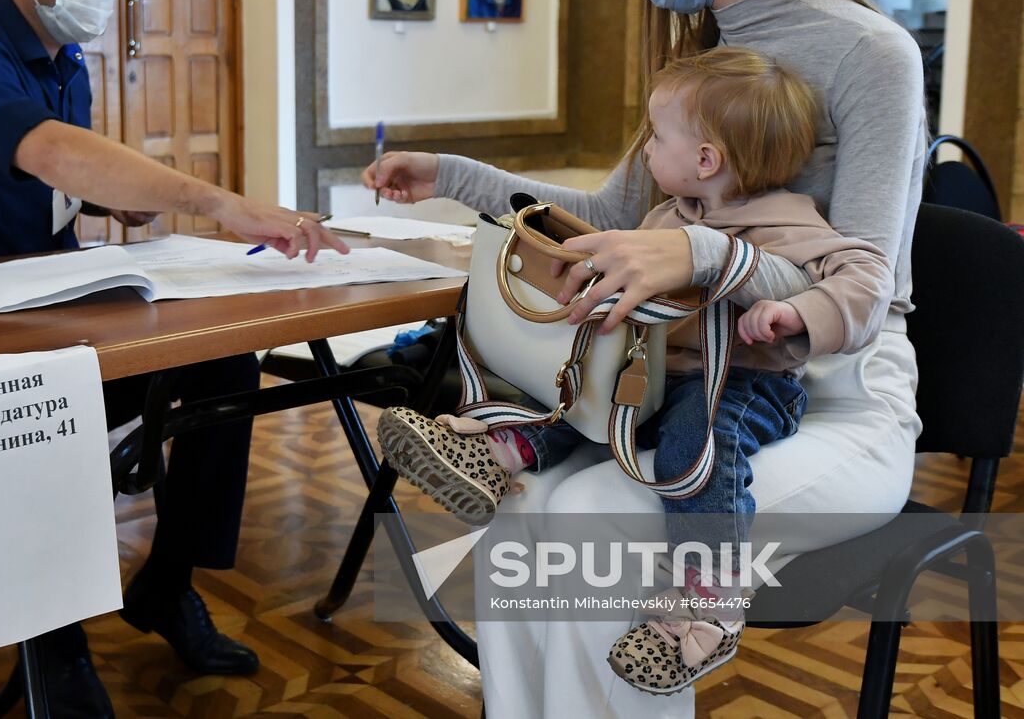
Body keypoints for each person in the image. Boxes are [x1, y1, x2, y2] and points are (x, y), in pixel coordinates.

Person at [364, 0, 926, 716]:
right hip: (684, 381)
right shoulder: (711, 57)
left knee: (587, 525)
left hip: (827, 396)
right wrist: (452, 174)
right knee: (524, 506)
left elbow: (856, 285)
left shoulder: (874, 54)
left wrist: (701, 254)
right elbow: (610, 218)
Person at [0, 0, 347, 718]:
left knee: (225, 365)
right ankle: (53, 652)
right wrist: (213, 201)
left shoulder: (64, 62)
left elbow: (66, 183)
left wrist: (120, 199)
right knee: (50, 395)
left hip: (57, 300)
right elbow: (51, 153)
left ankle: (165, 583)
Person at [378, 46, 894, 694]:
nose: (645, 148)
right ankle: (501, 450)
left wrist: (796, 314)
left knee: (696, 446)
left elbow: (869, 281)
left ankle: (710, 591)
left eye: (656, 135)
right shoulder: (668, 217)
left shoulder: (790, 222)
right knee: (582, 402)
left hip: (744, 383)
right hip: (664, 371)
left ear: (705, 160)